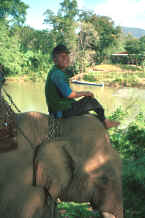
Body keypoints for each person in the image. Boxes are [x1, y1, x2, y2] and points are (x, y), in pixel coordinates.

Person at [45, 44, 120, 129]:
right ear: (55, 60)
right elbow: (69, 94)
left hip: (60, 108)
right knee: (90, 101)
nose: (66, 59)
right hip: (61, 111)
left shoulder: (55, 71)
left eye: (67, 56)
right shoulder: (57, 74)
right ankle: (106, 122)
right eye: (62, 57)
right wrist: (86, 93)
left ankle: (101, 120)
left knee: (87, 110)